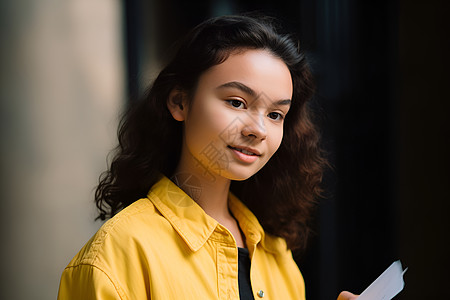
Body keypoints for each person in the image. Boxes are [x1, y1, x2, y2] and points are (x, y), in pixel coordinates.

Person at [58, 14, 357, 299]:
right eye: (237, 102)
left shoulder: (277, 257)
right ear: (179, 102)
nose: (258, 129)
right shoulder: (118, 253)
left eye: (276, 114)